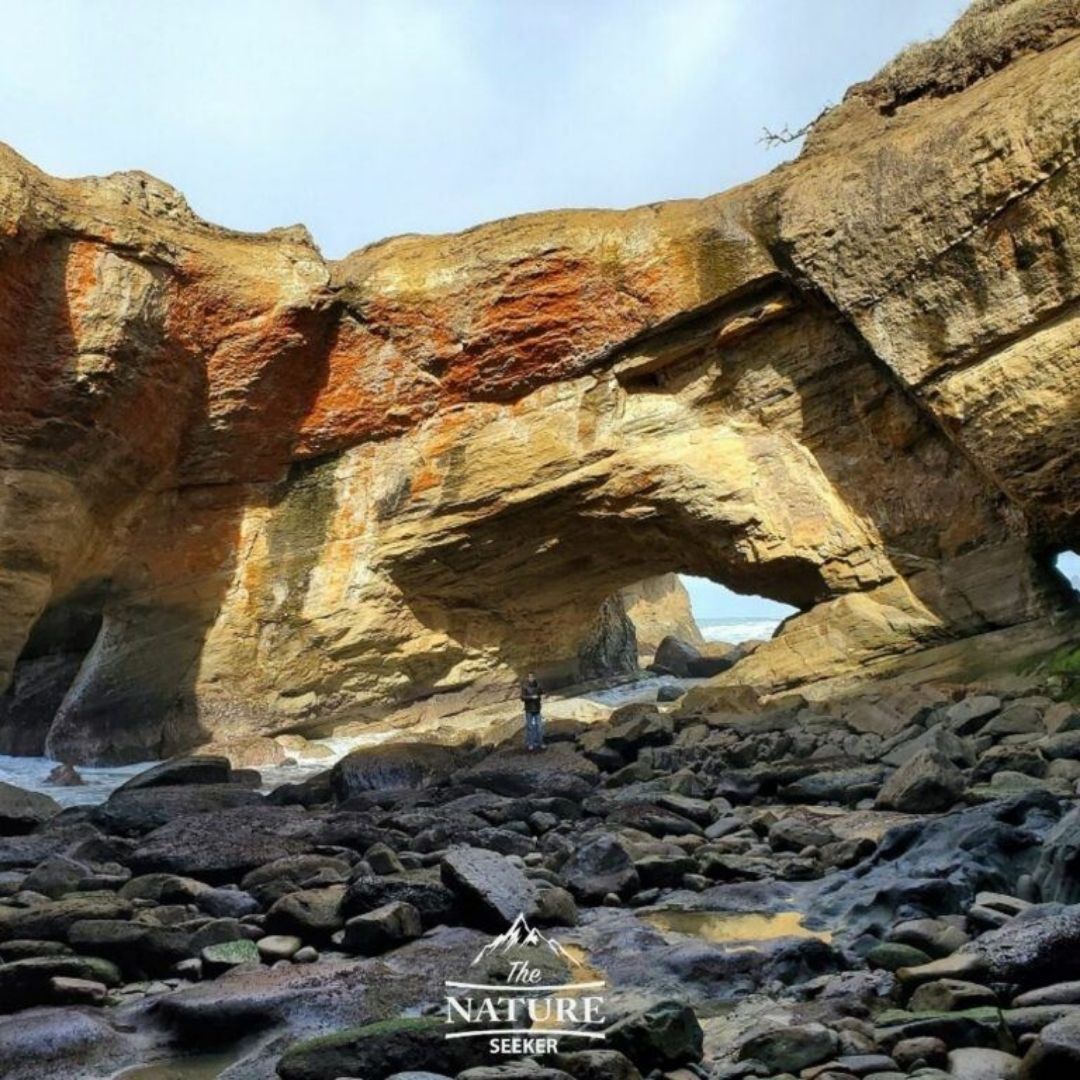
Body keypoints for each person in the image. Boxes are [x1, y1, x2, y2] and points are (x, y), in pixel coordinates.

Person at [520, 671, 544, 751]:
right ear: (527, 678)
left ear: (534, 677)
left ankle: (540, 743)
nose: (531, 678)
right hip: (529, 709)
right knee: (530, 727)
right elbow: (522, 697)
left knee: (539, 727)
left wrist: (540, 694)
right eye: (530, 677)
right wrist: (531, 697)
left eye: (532, 677)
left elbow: (542, 692)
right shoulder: (524, 687)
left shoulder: (538, 685)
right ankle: (531, 744)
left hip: (537, 709)